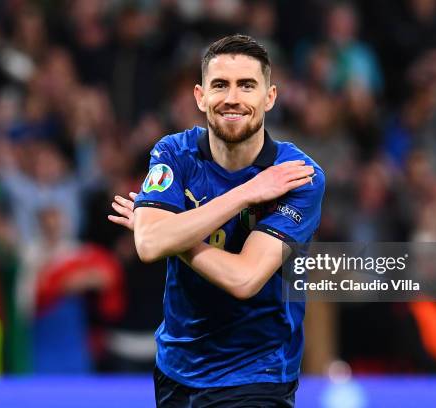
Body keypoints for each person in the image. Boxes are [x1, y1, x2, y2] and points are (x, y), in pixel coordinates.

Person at [109, 34, 325, 407]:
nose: (232, 98)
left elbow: (244, 279)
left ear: (269, 97)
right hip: (176, 370)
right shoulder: (173, 153)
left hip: (258, 374)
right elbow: (147, 246)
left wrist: (173, 236)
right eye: (220, 85)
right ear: (200, 96)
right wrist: (246, 193)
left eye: (247, 86)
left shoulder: (297, 176)